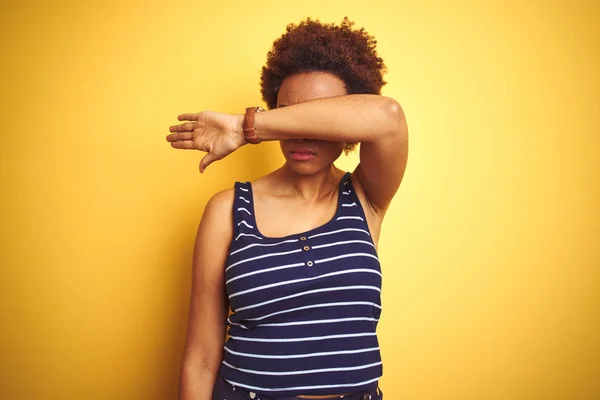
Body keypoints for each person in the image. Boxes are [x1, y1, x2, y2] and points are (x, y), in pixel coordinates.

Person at [166, 17, 408, 400]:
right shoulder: (228, 210)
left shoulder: (366, 196)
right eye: (288, 114)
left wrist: (248, 127)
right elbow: (200, 358)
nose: (301, 134)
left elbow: (388, 119)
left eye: (320, 115)